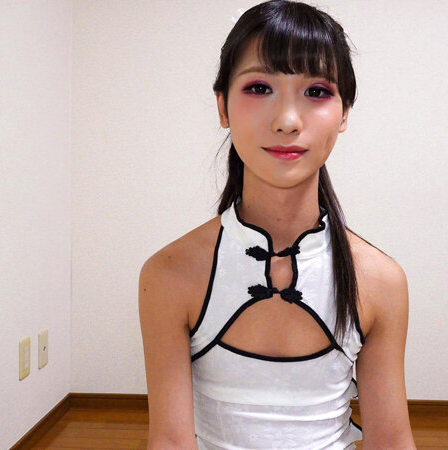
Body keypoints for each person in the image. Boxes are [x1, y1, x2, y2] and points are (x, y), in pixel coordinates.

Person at [138, 1, 415, 448]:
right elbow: (169, 441)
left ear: (345, 113)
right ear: (222, 107)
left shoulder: (381, 282)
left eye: (317, 91)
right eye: (259, 87)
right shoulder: (170, 274)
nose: (287, 121)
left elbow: (392, 441)